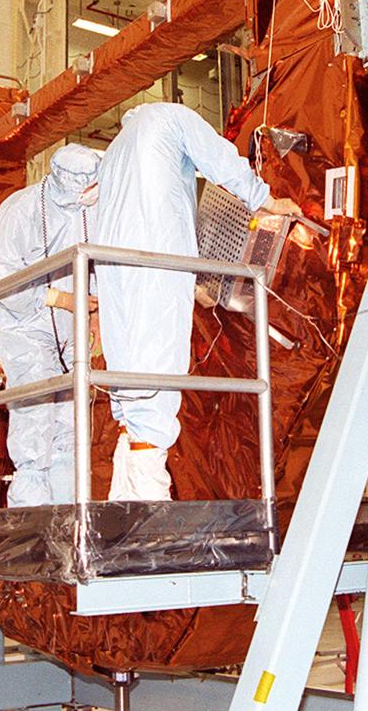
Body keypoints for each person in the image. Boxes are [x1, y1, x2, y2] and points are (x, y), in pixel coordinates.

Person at [96, 103, 301, 501]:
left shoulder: (118, 149)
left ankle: (125, 500)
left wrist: (191, 283)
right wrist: (264, 199)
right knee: (158, 371)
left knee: (130, 378)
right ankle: (149, 506)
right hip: (158, 258)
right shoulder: (170, 117)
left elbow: (143, 205)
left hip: (115, 267)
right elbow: (217, 156)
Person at [0, 143, 101, 507]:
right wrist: (62, 300)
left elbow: (97, 265)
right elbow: (6, 281)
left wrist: (94, 317)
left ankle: (69, 506)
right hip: (28, 327)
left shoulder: (88, 211)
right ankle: (31, 513)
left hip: (72, 332)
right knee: (35, 416)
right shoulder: (20, 210)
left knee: (70, 422)